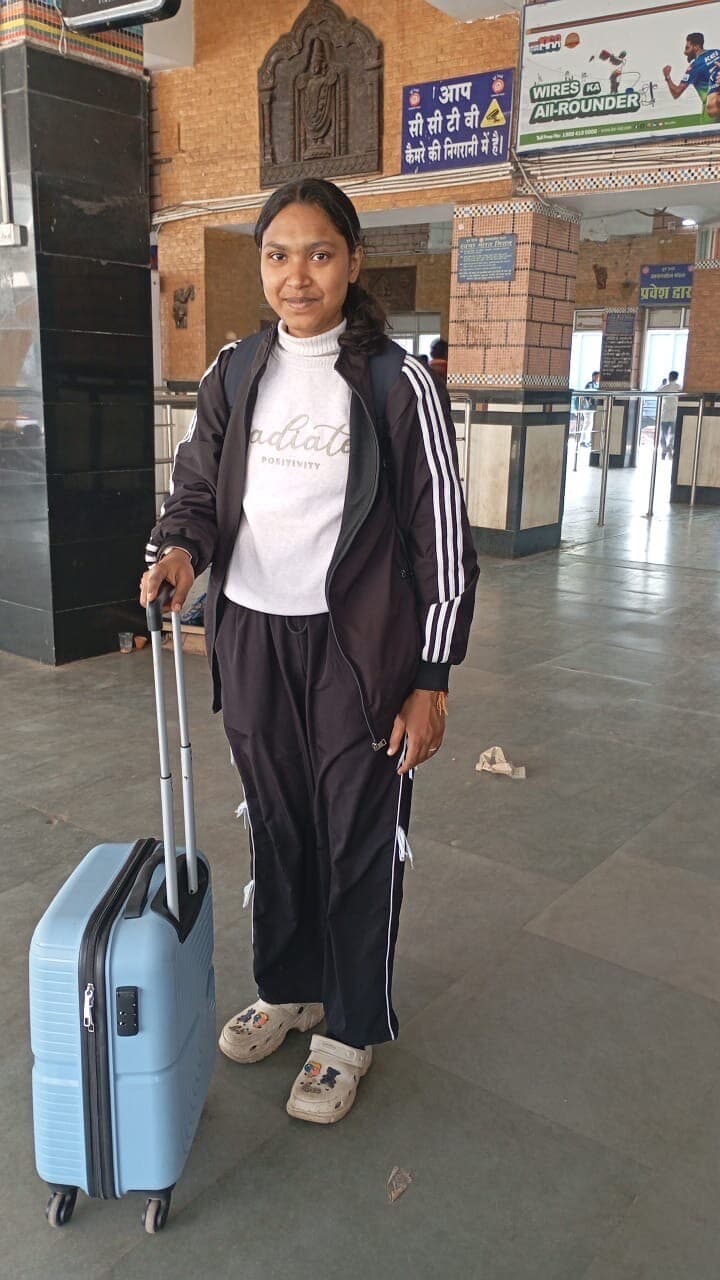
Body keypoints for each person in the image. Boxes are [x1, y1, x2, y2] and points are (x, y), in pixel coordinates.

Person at [140, 178, 479, 1125]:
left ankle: (350, 1029)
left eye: (320, 254)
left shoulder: (397, 384)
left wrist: (431, 678)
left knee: (358, 833)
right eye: (279, 255)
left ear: (353, 262)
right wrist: (179, 550)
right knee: (278, 821)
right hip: (251, 635)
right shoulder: (234, 371)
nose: (298, 276)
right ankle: (289, 988)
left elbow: (441, 536)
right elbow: (199, 490)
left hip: (356, 648)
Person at [663, 33, 720, 117]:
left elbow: (676, 93)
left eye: (687, 48)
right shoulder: (717, 52)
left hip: (712, 113)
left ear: (696, 47)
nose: (685, 52)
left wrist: (667, 77)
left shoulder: (694, 67)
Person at [656, 370, 682, 460]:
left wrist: (662, 384)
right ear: (677, 378)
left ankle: (664, 451)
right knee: (672, 435)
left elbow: (656, 393)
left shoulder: (665, 387)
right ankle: (669, 449)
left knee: (663, 434)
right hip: (674, 415)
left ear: (669, 377)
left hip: (665, 415)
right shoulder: (679, 387)